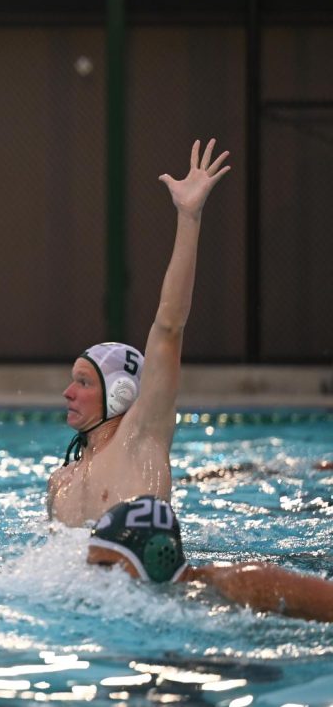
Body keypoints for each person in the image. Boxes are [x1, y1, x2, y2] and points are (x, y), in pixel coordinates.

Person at [47, 139, 231, 526]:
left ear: (121, 393)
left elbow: (169, 325)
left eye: (83, 381)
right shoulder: (59, 483)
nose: (68, 392)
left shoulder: (142, 434)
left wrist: (189, 217)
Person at [86, 496, 333, 622]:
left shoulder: (245, 582)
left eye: (106, 567)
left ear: (155, 557)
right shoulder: (173, 602)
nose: (98, 578)